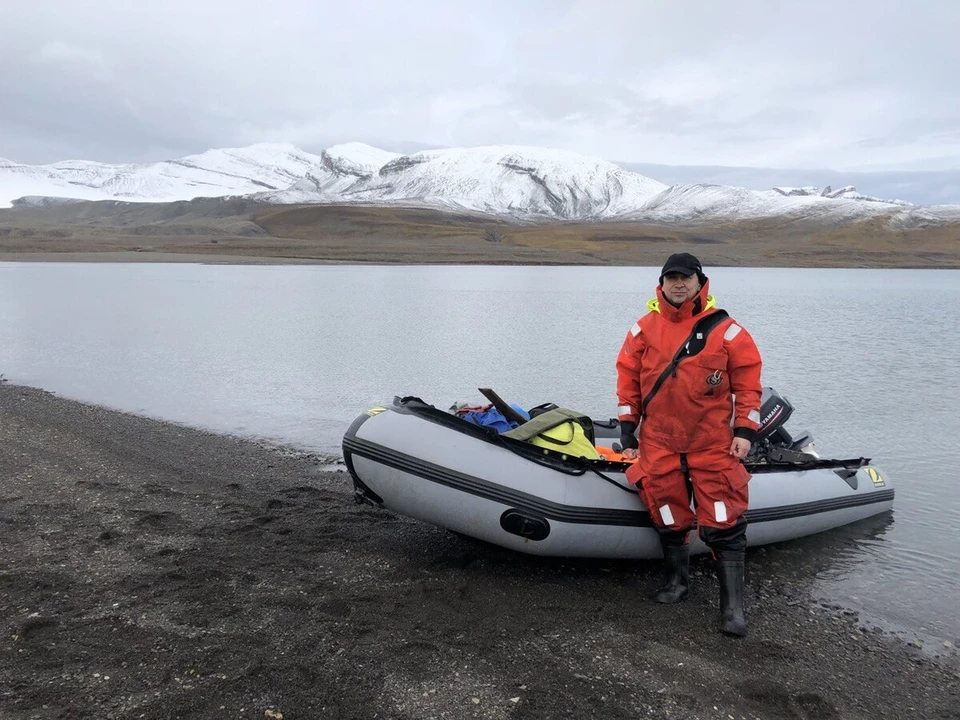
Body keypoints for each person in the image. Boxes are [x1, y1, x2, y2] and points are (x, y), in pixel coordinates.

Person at [616, 252, 762, 636]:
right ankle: (677, 583)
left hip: (711, 443)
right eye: (672, 278)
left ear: (700, 282)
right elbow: (628, 379)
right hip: (659, 442)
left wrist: (745, 431)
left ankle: (732, 608)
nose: (679, 284)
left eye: (686, 277)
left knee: (724, 522)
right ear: (661, 285)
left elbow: (748, 386)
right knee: (668, 515)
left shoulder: (729, 332)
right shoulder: (642, 330)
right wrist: (627, 425)